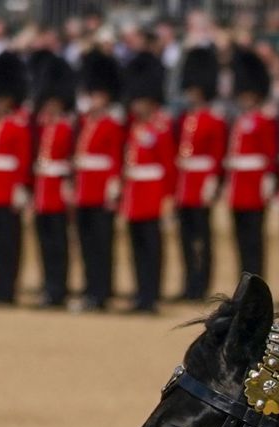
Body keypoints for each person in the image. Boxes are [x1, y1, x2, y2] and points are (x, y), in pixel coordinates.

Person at [119, 51, 175, 314]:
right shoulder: (135, 128)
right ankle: (140, 294)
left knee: (152, 249)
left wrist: (166, 199)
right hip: (135, 195)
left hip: (152, 195)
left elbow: (167, 167)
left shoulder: (160, 129)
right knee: (137, 248)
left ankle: (151, 296)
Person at [0, 51, 32, 305]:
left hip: (7, 190)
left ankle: (8, 288)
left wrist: (20, 187)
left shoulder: (18, 124)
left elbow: (22, 158)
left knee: (9, 244)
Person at [73, 49, 124, 312]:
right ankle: (90, 287)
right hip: (83, 191)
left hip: (101, 192)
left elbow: (115, 158)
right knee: (86, 244)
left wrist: (113, 186)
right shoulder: (84, 122)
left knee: (103, 245)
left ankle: (102, 291)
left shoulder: (111, 124)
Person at [173, 45, 225, 301]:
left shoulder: (213, 119)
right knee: (185, 239)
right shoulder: (185, 118)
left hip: (201, 183)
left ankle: (202, 285)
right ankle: (188, 284)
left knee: (202, 240)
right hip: (184, 185)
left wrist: (212, 181)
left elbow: (216, 154)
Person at [224, 46, 278, 280]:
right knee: (240, 239)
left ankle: (256, 282)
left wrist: (268, 176)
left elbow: (269, 151)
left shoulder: (263, 121)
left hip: (254, 184)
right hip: (238, 185)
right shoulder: (238, 120)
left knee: (254, 239)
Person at [31, 50, 78, 309]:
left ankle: (59, 288)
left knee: (59, 244)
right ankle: (49, 286)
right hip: (43, 192)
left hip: (59, 191)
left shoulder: (68, 127)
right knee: (45, 244)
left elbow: (72, 160)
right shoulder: (44, 126)